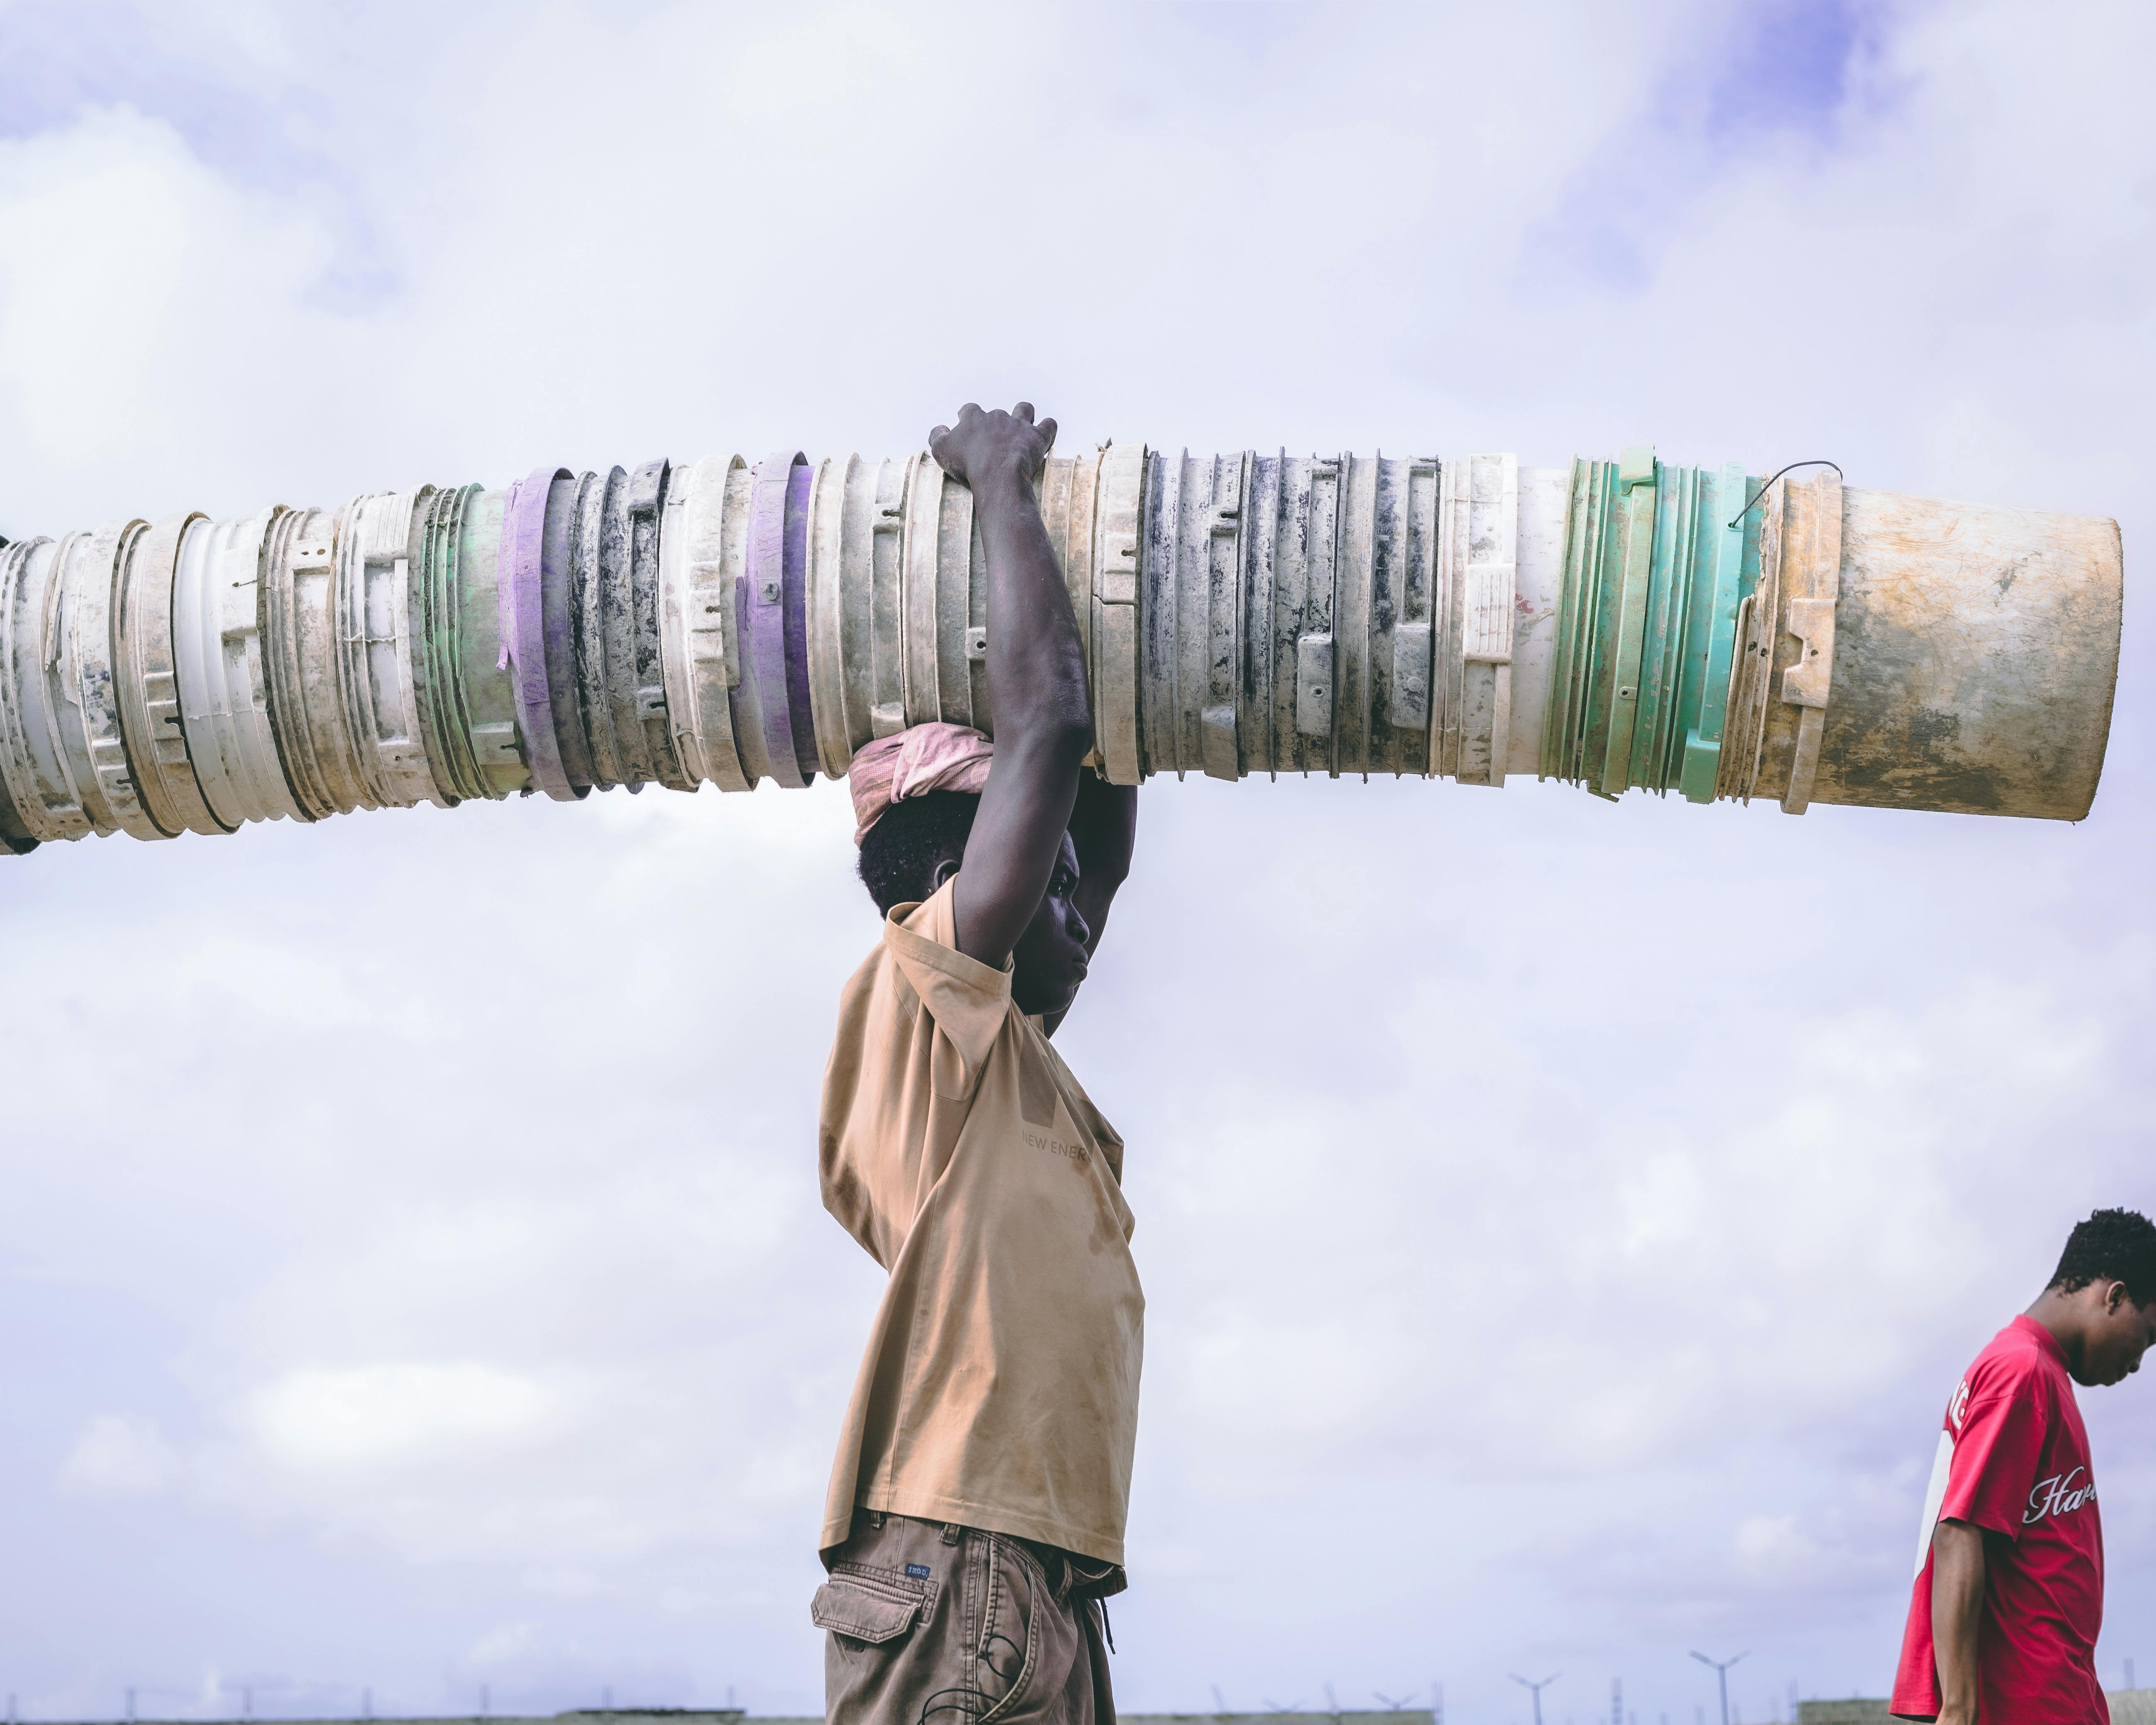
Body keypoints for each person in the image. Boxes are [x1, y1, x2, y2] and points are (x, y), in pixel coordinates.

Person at [810, 401, 1142, 1725]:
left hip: (1039, 1579)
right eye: (1039, 887)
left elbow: (1094, 821)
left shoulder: (996, 1056)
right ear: (958, 883)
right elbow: (1051, 730)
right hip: (954, 1567)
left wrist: (1119, 566)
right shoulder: (922, 987)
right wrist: (1002, 483)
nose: (1080, 921)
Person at [1892, 1207, 2156, 1724]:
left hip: (2055, 1694)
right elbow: (1959, 1531)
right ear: (2115, 1296)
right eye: (2146, 1337)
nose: (2137, 1363)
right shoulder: (2021, 1371)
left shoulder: (2039, 1372)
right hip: (2020, 1702)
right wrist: (1959, 1709)